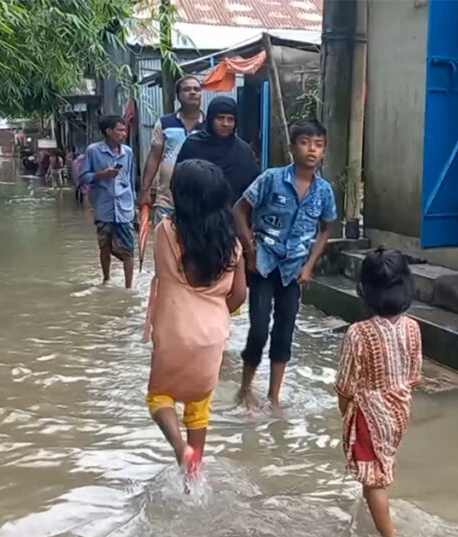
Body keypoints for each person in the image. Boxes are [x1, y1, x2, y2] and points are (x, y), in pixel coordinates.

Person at [143, 159, 247, 476]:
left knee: (159, 396)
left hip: (173, 331)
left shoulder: (165, 232)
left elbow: (161, 270)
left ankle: (179, 447)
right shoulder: (233, 247)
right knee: (199, 407)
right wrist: (215, 310)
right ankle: (194, 474)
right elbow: (239, 296)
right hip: (211, 337)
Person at [232, 120, 337, 410]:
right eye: (305, 142)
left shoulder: (324, 191)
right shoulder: (271, 179)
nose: (311, 150)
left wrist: (309, 266)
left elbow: (326, 229)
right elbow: (239, 211)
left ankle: (274, 397)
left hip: (294, 271)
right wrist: (250, 251)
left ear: (324, 151)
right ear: (292, 147)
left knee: (285, 332)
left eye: (318, 144)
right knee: (258, 329)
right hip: (263, 265)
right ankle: (245, 389)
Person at [334, 249, 422, 537]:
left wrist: (345, 413)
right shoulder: (413, 327)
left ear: (363, 290)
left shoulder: (359, 332)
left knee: (374, 480)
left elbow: (346, 385)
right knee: (380, 468)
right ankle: (372, 518)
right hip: (400, 411)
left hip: (368, 416)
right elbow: (414, 376)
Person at [78, 115, 136, 288]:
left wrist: (134, 205)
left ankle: (128, 288)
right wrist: (102, 175)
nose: (124, 134)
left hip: (124, 207)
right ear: (109, 131)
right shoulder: (93, 151)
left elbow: (131, 180)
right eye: (120, 130)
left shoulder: (128, 152)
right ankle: (106, 280)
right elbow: (83, 177)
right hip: (104, 207)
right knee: (104, 246)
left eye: (124, 130)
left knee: (129, 250)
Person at [138, 76, 205, 222]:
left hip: (200, 202)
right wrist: (145, 190)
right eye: (187, 89)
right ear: (178, 95)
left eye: (197, 89)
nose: (192, 92)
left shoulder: (210, 125)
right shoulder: (165, 123)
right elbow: (154, 157)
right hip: (167, 201)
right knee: (164, 236)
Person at [176, 96, 259, 204]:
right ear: (211, 119)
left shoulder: (243, 150)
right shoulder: (193, 145)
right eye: (220, 118)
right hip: (196, 210)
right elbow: (179, 182)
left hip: (233, 212)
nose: (225, 124)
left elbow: (252, 188)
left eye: (231, 119)